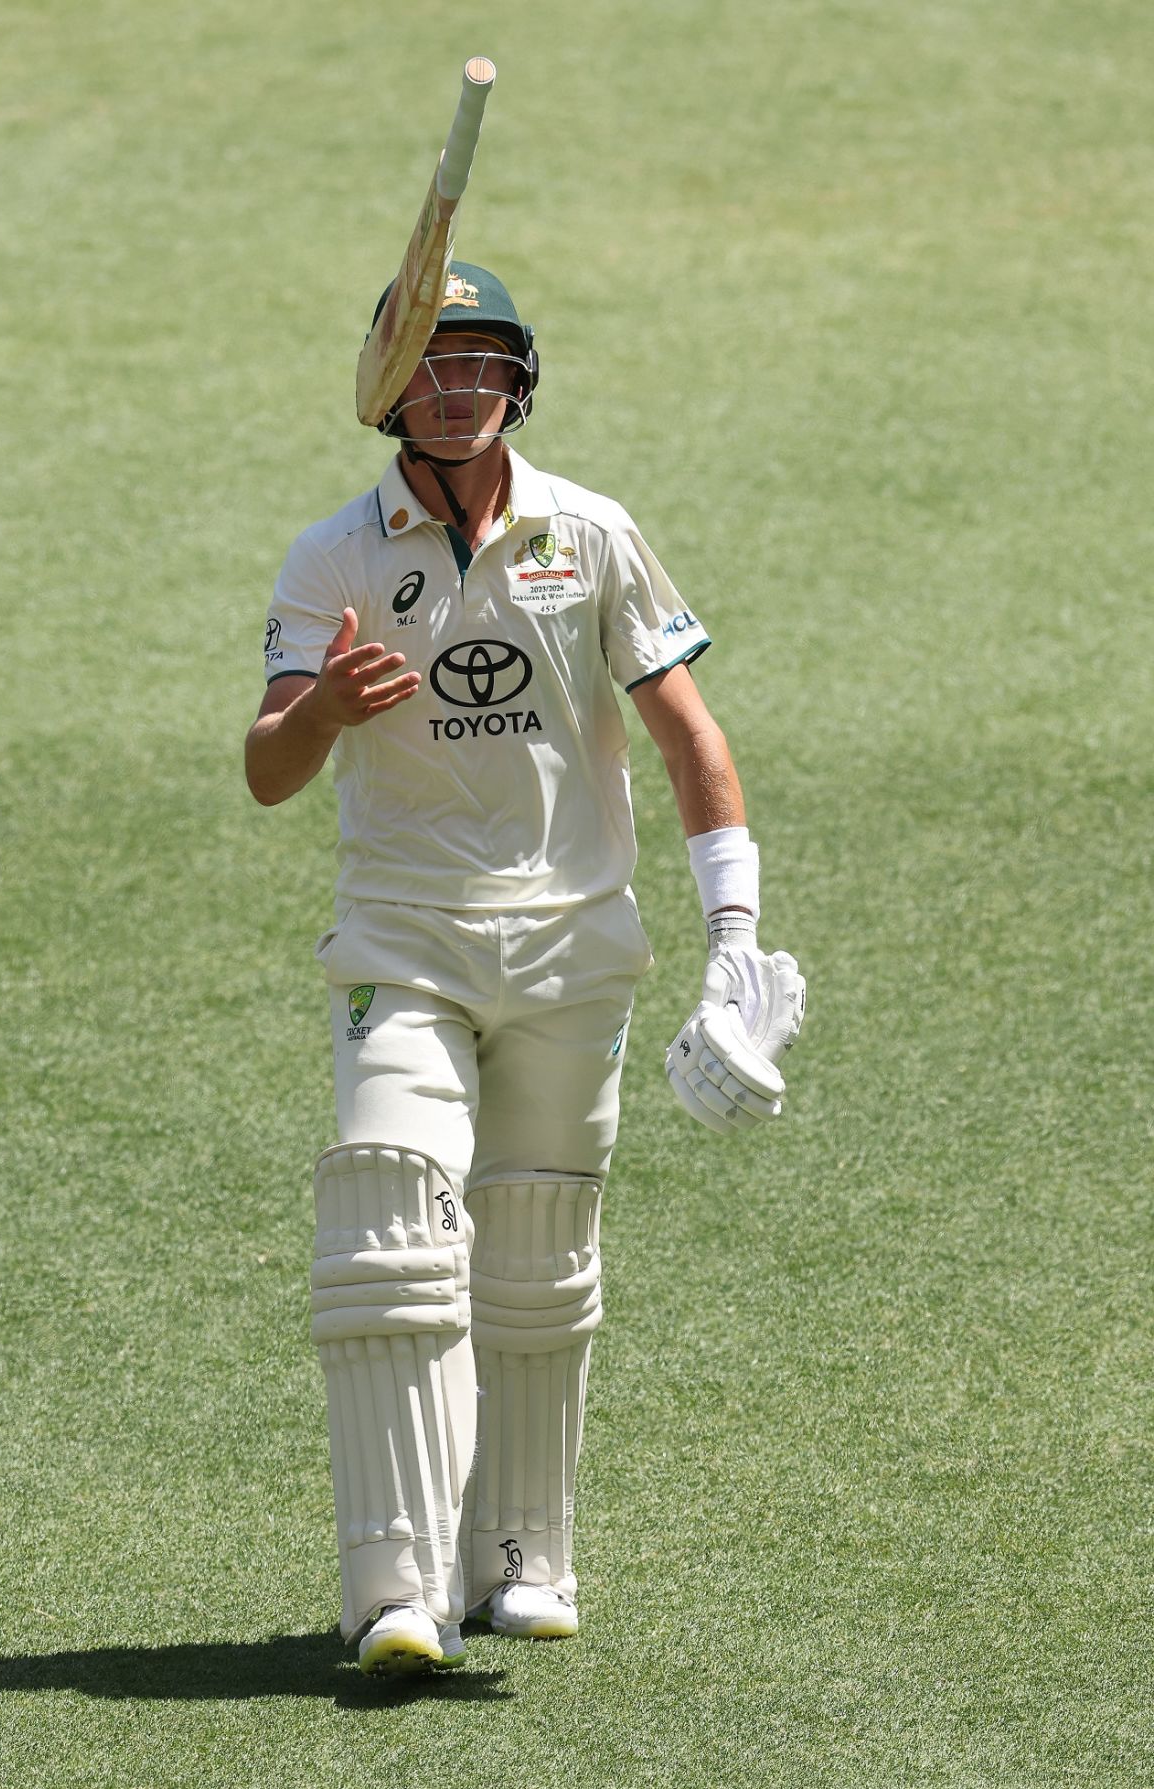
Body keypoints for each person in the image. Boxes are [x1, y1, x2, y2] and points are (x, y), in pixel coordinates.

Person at [244, 262, 805, 1677]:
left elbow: (687, 733)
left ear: (520, 376)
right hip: (403, 935)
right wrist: (326, 708)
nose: (459, 388)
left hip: (573, 940)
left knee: (538, 1253)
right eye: (431, 363)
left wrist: (733, 935)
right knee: (388, 1225)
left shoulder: (591, 532)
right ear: (388, 387)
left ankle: (524, 1559)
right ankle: (397, 1589)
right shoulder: (334, 556)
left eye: (482, 359)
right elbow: (267, 769)